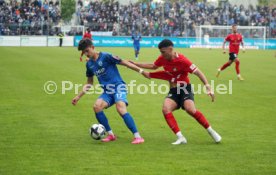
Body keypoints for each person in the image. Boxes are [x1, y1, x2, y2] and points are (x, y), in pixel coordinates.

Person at [131, 39, 222, 145]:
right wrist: (135, 64)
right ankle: (180, 137)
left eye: (163, 52)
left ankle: (211, 131)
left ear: (170, 49)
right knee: (166, 109)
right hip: (174, 90)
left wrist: (208, 87)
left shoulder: (183, 61)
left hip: (184, 88)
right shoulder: (163, 58)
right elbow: (153, 66)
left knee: (190, 109)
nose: (162, 54)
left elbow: (198, 72)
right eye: (160, 52)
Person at [72, 38, 148, 144]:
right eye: (84, 52)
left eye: (87, 51)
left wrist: (141, 71)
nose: (86, 54)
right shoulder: (89, 64)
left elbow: (125, 63)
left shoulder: (106, 56)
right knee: (97, 107)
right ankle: (111, 135)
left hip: (118, 87)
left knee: (120, 108)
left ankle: (138, 137)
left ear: (93, 47)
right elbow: (89, 82)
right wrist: (78, 96)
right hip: (107, 91)